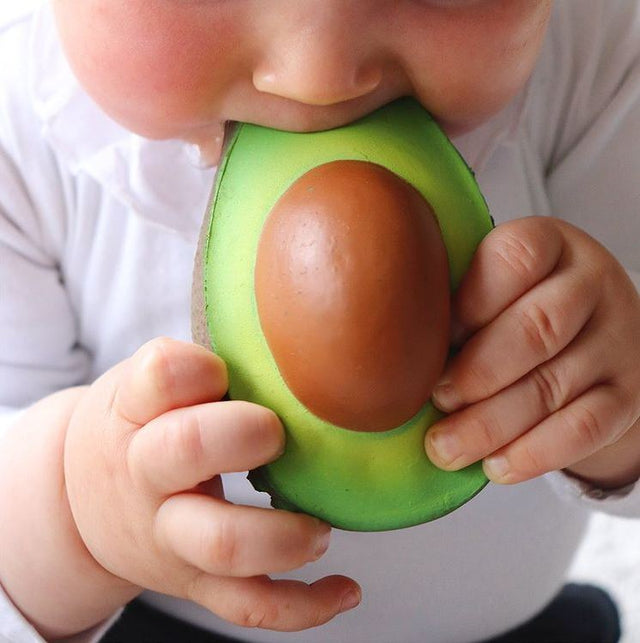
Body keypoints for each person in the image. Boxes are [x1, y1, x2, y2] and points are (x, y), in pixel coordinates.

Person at [0, 1, 638, 641]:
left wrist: (621, 410)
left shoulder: (594, 57)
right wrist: (75, 514)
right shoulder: (17, 130)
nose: (320, 76)